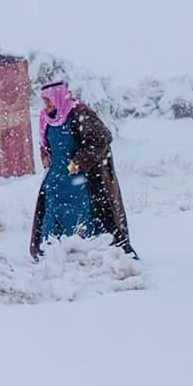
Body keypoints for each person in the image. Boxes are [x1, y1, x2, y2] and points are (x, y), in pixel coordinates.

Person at [29, 81, 138, 260]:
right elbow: (45, 143)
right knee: (52, 214)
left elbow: (101, 139)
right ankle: (50, 254)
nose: (46, 104)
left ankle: (82, 254)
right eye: (44, 101)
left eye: (49, 100)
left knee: (77, 214)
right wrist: (45, 155)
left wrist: (78, 162)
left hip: (77, 180)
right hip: (55, 178)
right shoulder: (46, 118)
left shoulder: (79, 114)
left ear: (58, 97)